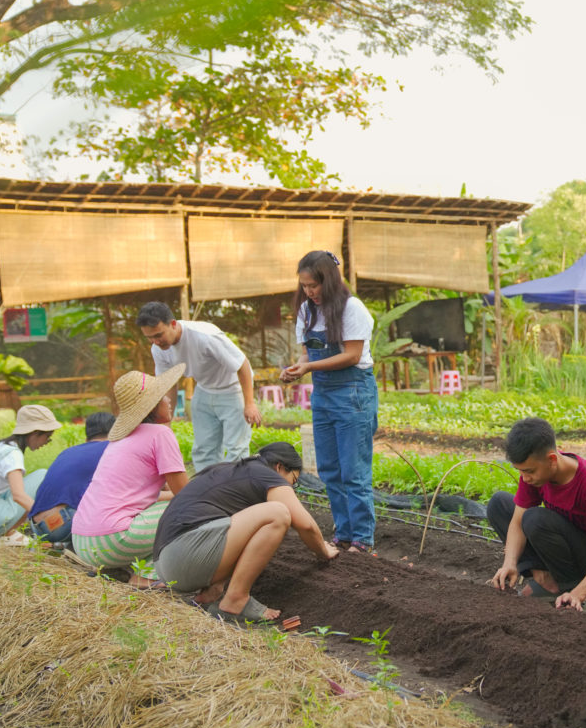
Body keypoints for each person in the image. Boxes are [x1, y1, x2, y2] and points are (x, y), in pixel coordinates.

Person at [153, 442, 340, 624]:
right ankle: (235, 601)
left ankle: (213, 590)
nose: (292, 489)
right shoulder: (267, 475)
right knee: (278, 513)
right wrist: (323, 550)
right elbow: (306, 525)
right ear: (279, 467)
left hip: (167, 563)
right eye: (294, 481)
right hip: (184, 554)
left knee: (246, 526)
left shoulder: (232, 473)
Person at [280, 250, 378, 553]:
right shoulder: (307, 311)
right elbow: (306, 354)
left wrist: (309, 368)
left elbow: (351, 354)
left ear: (330, 280)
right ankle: (344, 533)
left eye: (315, 285)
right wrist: (297, 368)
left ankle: (362, 538)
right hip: (322, 394)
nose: (310, 292)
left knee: (354, 470)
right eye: (305, 286)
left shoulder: (352, 309)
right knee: (329, 469)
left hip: (352, 392)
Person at [487, 417, 586, 611]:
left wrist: (579, 591)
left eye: (529, 471)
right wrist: (510, 563)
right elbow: (517, 522)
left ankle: (576, 591)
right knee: (499, 504)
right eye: (520, 471)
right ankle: (546, 580)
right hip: (563, 547)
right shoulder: (534, 477)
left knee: (535, 519)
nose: (525, 478)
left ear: (552, 459)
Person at [71, 366, 189, 589]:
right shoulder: (160, 434)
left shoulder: (120, 439)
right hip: (112, 540)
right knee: (185, 511)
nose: (169, 400)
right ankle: (147, 576)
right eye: (163, 395)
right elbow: (186, 495)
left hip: (82, 541)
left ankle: (129, 570)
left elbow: (143, 497)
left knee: (166, 506)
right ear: (153, 404)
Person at [137, 301, 261, 472]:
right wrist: (166, 419)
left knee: (236, 448)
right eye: (149, 337)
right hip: (203, 389)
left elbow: (243, 365)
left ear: (173, 324)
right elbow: (168, 384)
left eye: (158, 335)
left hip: (233, 389)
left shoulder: (204, 335)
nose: (155, 341)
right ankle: (208, 490)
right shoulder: (158, 349)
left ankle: (236, 491)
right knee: (204, 449)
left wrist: (249, 403)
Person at [0, 404, 62, 544]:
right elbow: (19, 496)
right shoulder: (12, 454)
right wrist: (45, 517)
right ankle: (5, 533)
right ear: (34, 432)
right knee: (42, 477)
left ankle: (7, 532)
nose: (47, 442)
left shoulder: (2, 446)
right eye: (47, 437)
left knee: (40, 474)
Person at [26, 411, 115, 545]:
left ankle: (67, 544)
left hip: (37, 527)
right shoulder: (110, 449)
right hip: (62, 522)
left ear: (87, 436)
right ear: (116, 432)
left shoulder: (68, 451)